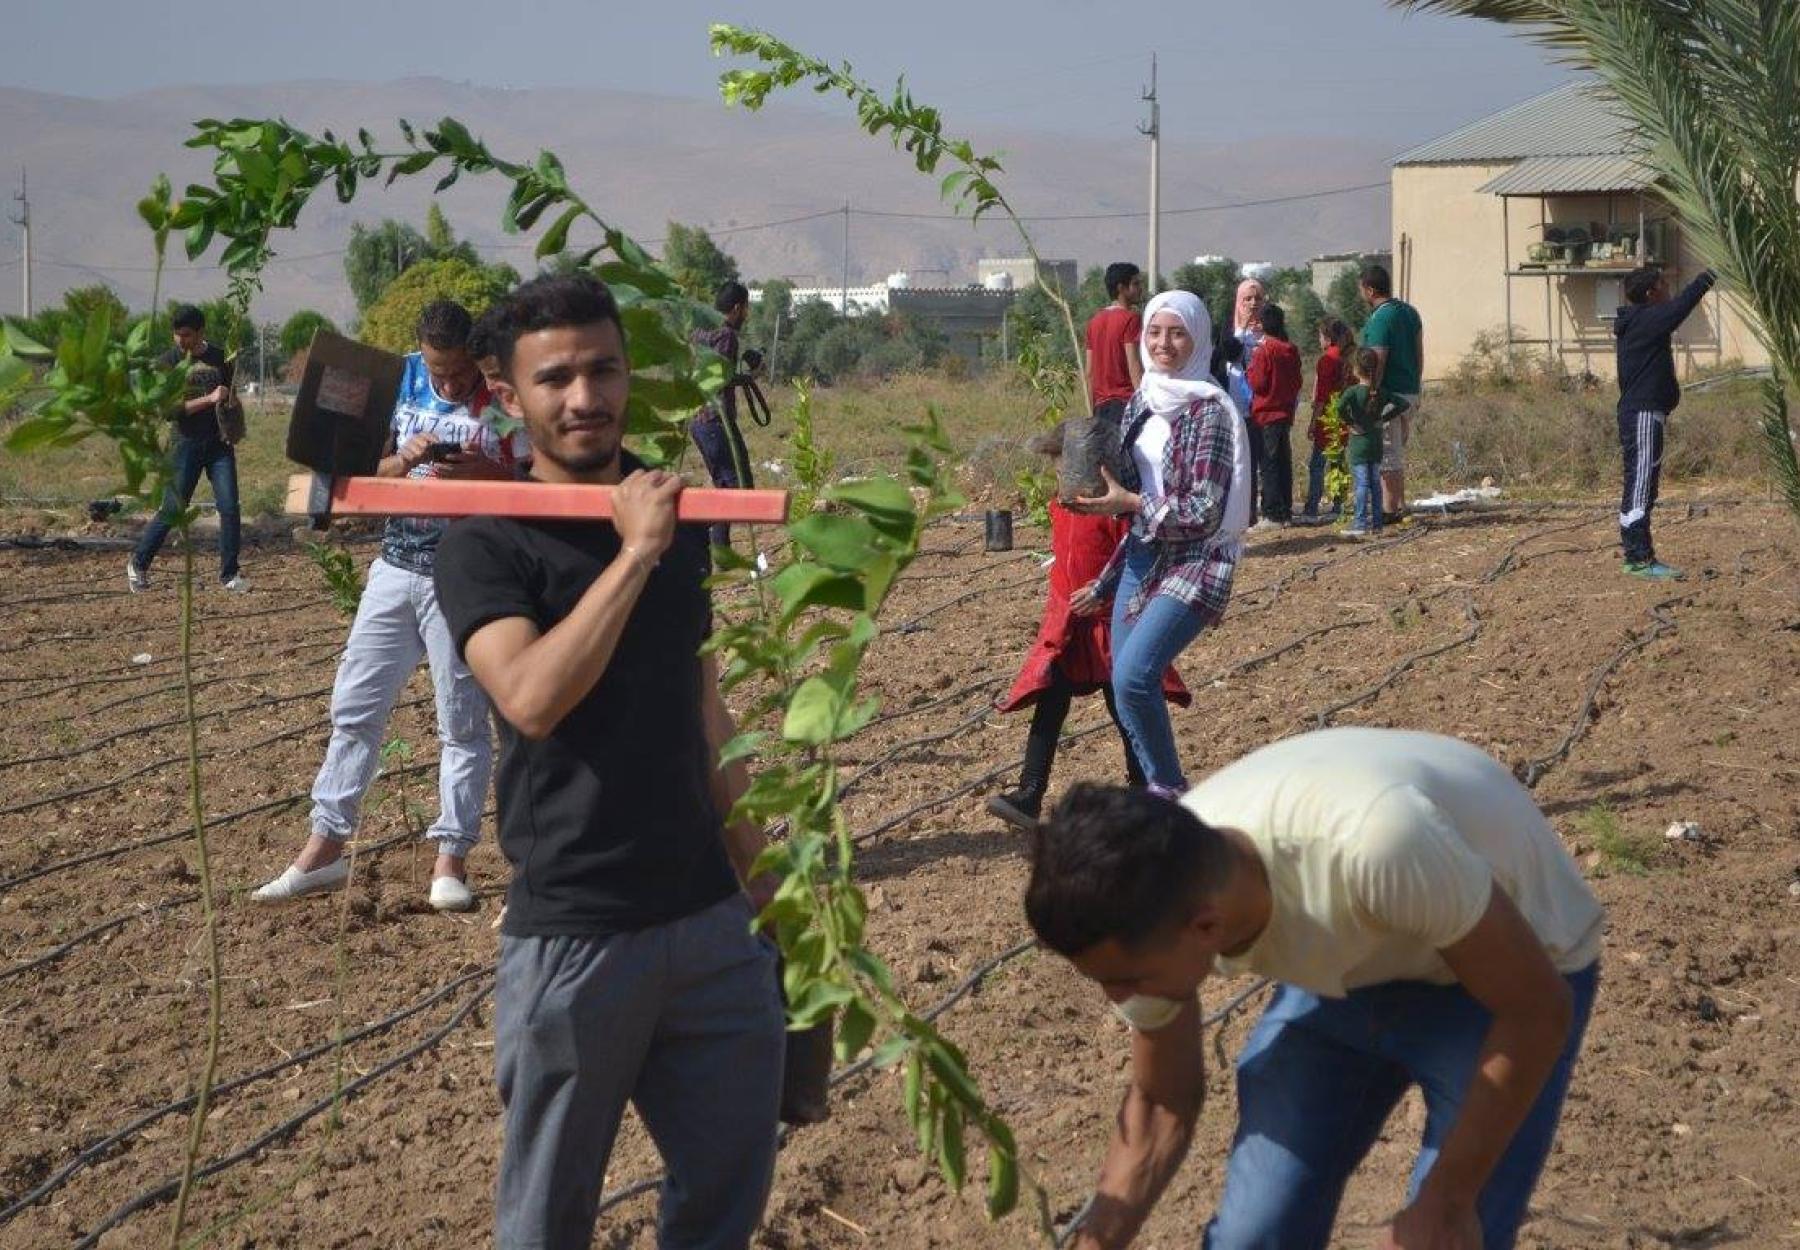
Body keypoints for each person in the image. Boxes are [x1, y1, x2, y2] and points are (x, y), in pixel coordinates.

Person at [432, 272, 784, 1249]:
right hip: (575, 937)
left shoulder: (676, 518)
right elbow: (532, 697)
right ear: (507, 394)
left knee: (728, 1185)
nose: (584, 396)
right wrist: (632, 557)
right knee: (546, 1224)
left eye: (603, 369)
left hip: (709, 923)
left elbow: (706, 710)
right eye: (556, 378)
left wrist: (769, 890)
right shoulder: (488, 539)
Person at [1027, 727, 1603, 1250]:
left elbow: (1536, 1009)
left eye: (1127, 982)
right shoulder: (1152, 892)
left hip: (1509, 981)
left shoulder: (1377, 843)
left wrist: (1447, 1202)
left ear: (1206, 927)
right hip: (1351, 969)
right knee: (1255, 1233)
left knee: (1445, 1237)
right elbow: (1158, 1103)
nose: (1120, 1000)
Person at [252, 300, 518, 912]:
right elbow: (348, 467)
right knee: (355, 707)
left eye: (457, 373)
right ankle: (324, 850)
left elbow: (525, 479)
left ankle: (451, 859)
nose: (447, 383)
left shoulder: (500, 401)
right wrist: (405, 459)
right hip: (395, 565)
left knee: (462, 722)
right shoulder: (396, 379)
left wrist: (480, 470)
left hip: (466, 574)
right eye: (438, 371)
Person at [1066, 290, 1251, 798]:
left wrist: (1129, 503)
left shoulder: (1209, 411)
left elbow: (1203, 512)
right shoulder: (1142, 401)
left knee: (1133, 676)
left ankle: (1169, 791)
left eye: (1176, 333)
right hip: (1144, 556)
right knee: (1126, 687)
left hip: (1198, 559)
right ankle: (1162, 790)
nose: (1164, 343)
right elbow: (1132, 491)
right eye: (1154, 332)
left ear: (1197, 340)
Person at [987, 422, 1189, 831]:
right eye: (1058, 468)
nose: (1061, 476)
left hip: (1111, 621)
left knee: (1125, 706)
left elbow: (1133, 560)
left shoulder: (1116, 514)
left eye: (1066, 466)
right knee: (1051, 703)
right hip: (1070, 629)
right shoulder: (1058, 508)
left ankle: (1146, 790)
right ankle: (1030, 794)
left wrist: (1102, 592)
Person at [127, 305, 247, 593]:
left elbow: (229, 396)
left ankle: (230, 574)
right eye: (177, 335)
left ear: (201, 333)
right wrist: (209, 399)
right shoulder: (167, 363)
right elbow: (170, 411)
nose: (182, 341)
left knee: (230, 507)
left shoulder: (220, 358)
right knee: (172, 509)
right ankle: (138, 563)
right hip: (185, 445)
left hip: (219, 444)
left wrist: (234, 420)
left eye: (187, 335)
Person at [1614, 264, 1716, 579]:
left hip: (1645, 412)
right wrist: (1709, 276)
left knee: (1641, 482)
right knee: (1642, 483)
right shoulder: (1646, 319)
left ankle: (1637, 555)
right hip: (1643, 413)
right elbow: (1682, 305)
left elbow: (1676, 306)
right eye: (1663, 285)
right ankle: (1639, 559)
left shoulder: (1642, 321)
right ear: (1650, 293)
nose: (1669, 291)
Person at [689, 280, 760, 550]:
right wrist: (748, 376)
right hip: (715, 420)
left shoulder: (700, 329)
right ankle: (697, 532)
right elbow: (719, 379)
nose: (746, 315)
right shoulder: (727, 334)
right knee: (734, 486)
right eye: (746, 309)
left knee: (728, 483)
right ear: (737, 307)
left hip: (699, 420)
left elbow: (710, 374)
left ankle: (720, 544)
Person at [1359, 263, 1424, 524]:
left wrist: (1372, 395)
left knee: (1387, 453)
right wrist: (1415, 385)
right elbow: (1419, 354)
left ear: (1370, 290)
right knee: (1396, 450)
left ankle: (1390, 508)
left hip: (1389, 395)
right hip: (1409, 391)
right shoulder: (1410, 312)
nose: (1362, 295)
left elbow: (1378, 359)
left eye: (1362, 290)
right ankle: (1400, 503)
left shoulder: (1381, 318)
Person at [1341, 347, 1410, 538]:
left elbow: (1339, 408)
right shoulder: (1381, 392)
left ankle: (1360, 522)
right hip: (1376, 443)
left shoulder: (1352, 393)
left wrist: (1351, 423)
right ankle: (1377, 523)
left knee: (1362, 483)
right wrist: (1384, 417)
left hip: (1359, 444)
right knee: (1374, 482)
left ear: (1356, 369)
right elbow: (1404, 404)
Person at [1245, 303, 1302, 528]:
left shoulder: (1264, 350)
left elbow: (1258, 384)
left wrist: (1250, 369)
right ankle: (1285, 510)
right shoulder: (1290, 349)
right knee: (1282, 462)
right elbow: (1297, 381)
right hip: (1284, 412)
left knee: (1268, 464)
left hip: (1266, 414)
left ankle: (1272, 513)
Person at [1303, 317, 1354, 522]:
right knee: (1338, 462)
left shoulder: (1327, 360)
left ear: (1327, 337)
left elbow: (1321, 397)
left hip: (1328, 417)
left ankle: (1312, 507)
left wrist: (1313, 422)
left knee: (1317, 464)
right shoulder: (1349, 358)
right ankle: (1338, 505)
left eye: (1320, 335)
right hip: (1344, 417)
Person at [1224, 279, 1266, 524]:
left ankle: (1252, 511)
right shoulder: (1229, 330)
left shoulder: (1268, 331)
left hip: (1259, 407)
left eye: (1257, 299)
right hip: (1233, 404)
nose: (1252, 304)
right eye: (1247, 299)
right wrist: (1240, 330)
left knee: (1254, 461)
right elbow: (1228, 352)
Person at [1086, 262, 1146, 426]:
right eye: (1135, 284)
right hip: (1124, 403)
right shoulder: (1131, 319)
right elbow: (1134, 365)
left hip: (1100, 407)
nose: (1140, 288)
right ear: (1121, 288)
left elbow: (1089, 372)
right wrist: (1145, 405)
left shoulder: (1094, 321)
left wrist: (1091, 409)